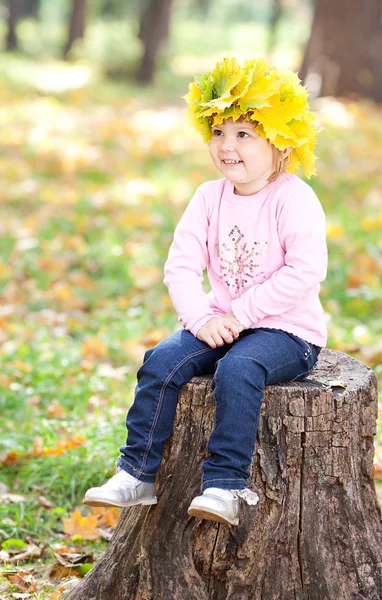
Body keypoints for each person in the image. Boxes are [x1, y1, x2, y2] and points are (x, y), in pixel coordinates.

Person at [83, 57, 328, 526]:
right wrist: (201, 319)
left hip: (287, 331)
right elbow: (180, 266)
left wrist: (242, 313)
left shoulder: (293, 198)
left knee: (237, 370)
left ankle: (225, 484)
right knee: (160, 361)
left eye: (244, 135)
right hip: (219, 320)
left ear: (281, 143)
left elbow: (304, 271)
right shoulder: (208, 197)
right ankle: (136, 473)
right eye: (219, 132)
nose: (227, 146)